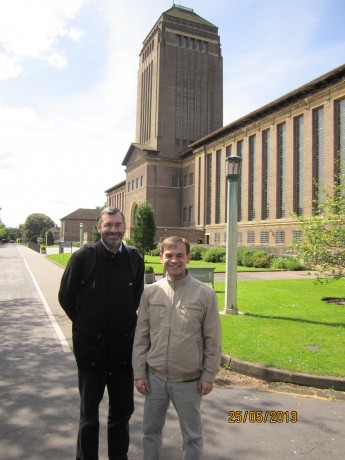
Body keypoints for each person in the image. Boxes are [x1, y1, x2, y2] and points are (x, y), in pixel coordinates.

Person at [58, 207, 145, 460]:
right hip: (91, 355)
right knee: (88, 417)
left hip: (122, 354)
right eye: (108, 225)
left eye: (118, 225)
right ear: (99, 227)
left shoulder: (134, 258)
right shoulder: (83, 258)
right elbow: (66, 297)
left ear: (125, 227)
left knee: (121, 415)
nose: (113, 231)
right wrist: (87, 325)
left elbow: (136, 297)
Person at [132, 236, 222, 460]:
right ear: (161, 257)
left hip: (189, 381)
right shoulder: (150, 293)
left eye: (179, 255)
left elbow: (213, 339)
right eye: (169, 255)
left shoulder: (205, 294)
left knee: (192, 436)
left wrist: (209, 375)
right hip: (155, 379)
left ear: (188, 258)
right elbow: (141, 336)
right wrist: (139, 373)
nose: (174, 260)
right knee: (150, 432)